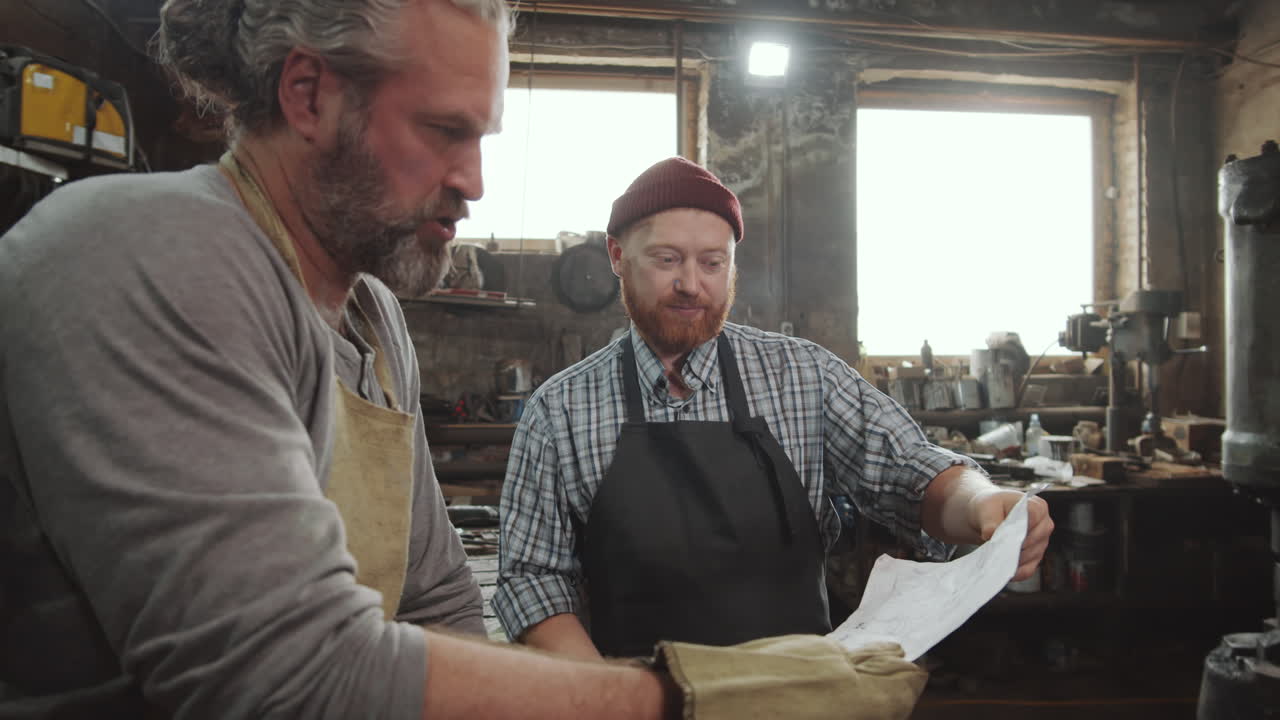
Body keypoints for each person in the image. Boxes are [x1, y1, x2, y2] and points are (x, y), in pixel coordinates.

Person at [0, 2, 692, 717]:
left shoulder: (374, 317)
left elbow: (435, 599)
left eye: (481, 138)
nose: (474, 181)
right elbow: (280, 675)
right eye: (445, 130)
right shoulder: (143, 253)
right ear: (310, 96)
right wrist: (681, 698)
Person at [494, 156, 1055, 661]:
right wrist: (605, 698)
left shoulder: (804, 376)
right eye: (667, 260)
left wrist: (984, 502)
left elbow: (909, 472)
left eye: (713, 263)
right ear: (618, 256)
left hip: (795, 694)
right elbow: (532, 580)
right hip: (639, 702)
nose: (691, 284)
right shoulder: (559, 411)